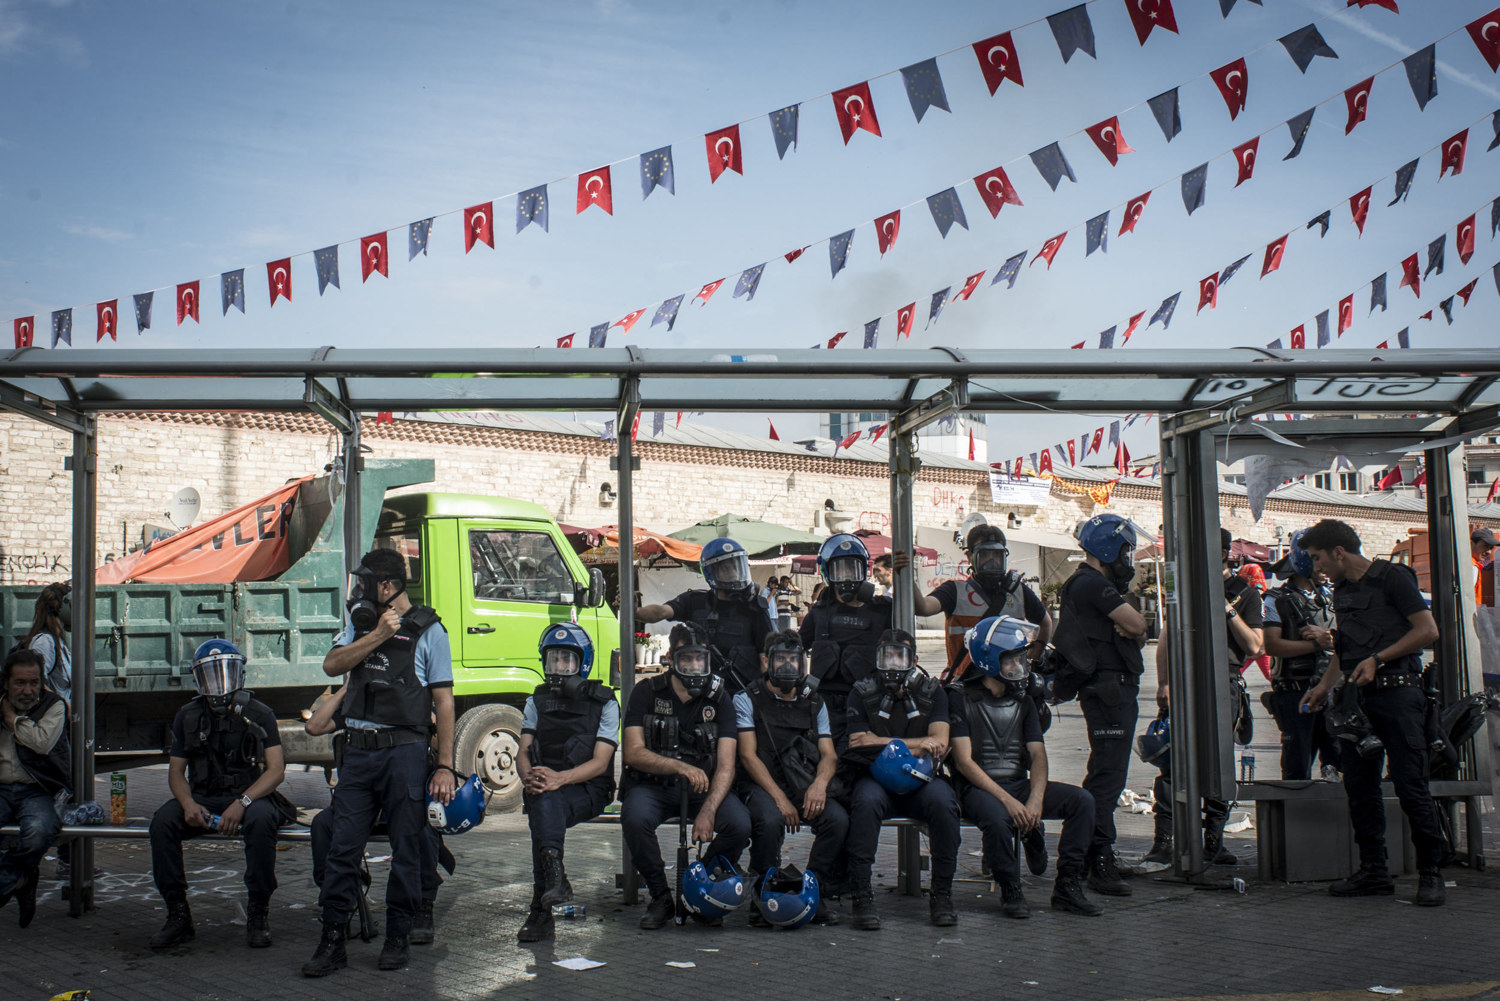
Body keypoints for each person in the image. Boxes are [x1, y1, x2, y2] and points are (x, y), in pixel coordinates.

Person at [304, 549, 456, 977]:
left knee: (407, 848)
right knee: (342, 847)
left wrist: (444, 766)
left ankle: (397, 936)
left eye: (366, 583)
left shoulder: (429, 630)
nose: (358, 592)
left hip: (404, 752)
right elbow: (333, 664)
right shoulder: (360, 624)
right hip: (357, 751)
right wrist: (374, 636)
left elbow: (444, 702)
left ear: (387, 587)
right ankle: (332, 940)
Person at [1298, 519, 1446, 906]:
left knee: (1410, 784)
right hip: (1356, 702)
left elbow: (1428, 630)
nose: (1317, 567)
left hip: (1399, 695)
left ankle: (1431, 873)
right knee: (1360, 788)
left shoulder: (1393, 578)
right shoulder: (1342, 589)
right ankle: (1374, 872)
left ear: (1339, 552)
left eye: (1318, 558)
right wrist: (1323, 687)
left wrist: (1379, 659)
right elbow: (1346, 650)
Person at [948, 617, 1100, 918]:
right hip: (978, 788)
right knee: (996, 819)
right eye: (1012, 659)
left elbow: (1038, 756)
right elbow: (964, 761)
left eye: (1021, 658)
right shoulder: (959, 698)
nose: (1020, 666)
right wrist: (1010, 802)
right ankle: (1010, 887)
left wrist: (1034, 799)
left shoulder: (1024, 700)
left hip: (1018, 785)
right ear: (990, 661)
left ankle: (1068, 884)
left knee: (1082, 801)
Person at [148, 639, 292, 950]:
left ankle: (258, 911)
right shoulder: (187, 716)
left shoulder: (259, 713)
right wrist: (187, 804)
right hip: (204, 797)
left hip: (250, 798)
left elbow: (276, 770)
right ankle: (178, 914)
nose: (218, 684)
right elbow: (176, 772)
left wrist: (242, 803)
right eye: (210, 675)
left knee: (262, 820)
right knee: (162, 823)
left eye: (224, 673)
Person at [620, 622, 751, 930]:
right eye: (686, 658)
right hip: (653, 786)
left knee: (740, 825)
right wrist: (680, 767)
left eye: (699, 659)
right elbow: (633, 752)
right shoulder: (645, 692)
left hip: (703, 789)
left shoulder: (720, 699)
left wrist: (708, 810)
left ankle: (697, 887)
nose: (693, 666)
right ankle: (660, 897)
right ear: (670, 659)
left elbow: (727, 765)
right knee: (635, 819)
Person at [305, 684, 453, 947]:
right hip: (359, 800)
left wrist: (429, 721)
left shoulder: (410, 700)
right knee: (321, 825)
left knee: (422, 828)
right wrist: (347, 688)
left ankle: (422, 903)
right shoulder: (356, 703)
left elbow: (442, 745)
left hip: (401, 795)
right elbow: (315, 726)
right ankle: (341, 901)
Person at [1051, 514, 1147, 896]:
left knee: (1106, 775)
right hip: (1109, 690)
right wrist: (1130, 626)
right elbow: (1138, 626)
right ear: (1109, 548)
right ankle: (1096, 858)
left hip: (1108, 688)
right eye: (1125, 550)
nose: (1127, 558)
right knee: (1107, 778)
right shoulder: (1093, 584)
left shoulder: (1084, 583)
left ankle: (1093, 854)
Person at [842, 628, 959, 930]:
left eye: (900, 655)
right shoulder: (862, 690)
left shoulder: (933, 691)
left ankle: (942, 894)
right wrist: (917, 743)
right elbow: (857, 742)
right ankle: (862, 896)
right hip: (876, 779)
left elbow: (941, 741)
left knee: (945, 804)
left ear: (914, 659)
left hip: (921, 781)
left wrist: (880, 740)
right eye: (887, 655)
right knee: (864, 804)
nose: (893, 662)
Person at [1153, 528, 1254, 868]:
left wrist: (1226, 609)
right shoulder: (1180, 583)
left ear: (1227, 552)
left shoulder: (1244, 592)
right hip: (1186, 682)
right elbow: (1167, 633)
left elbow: (1255, 645)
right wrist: (1164, 682)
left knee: (1219, 762)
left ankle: (1214, 839)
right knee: (1173, 762)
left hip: (1224, 682)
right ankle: (1164, 839)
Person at [516, 623, 618, 943]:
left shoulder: (605, 702)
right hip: (550, 787)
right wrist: (528, 777)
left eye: (566, 660)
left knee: (543, 803)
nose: (558, 667)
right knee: (542, 799)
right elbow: (522, 751)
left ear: (582, 663)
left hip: (588, 788)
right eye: (553, 660)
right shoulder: (537, 700)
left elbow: (601, 762)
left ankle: (540, 909)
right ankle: (555, 880)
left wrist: (559, 779)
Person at [735, 631, 844, 926]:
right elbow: (748, 755)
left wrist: (819, 786)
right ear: (764, 661)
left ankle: (812, 891)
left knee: (836, 819)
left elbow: (829, 755)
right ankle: (761, 896)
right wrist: (780, 799)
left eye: (793, 660)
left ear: (803, 663)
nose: (787, 666)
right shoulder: (746, 699)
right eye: (780, 659)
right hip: (760, 783)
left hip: (801, 782)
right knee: (769, 822)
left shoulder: (814, 701)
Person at [906, 524, 1052, 682]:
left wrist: (1030, 661)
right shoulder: (954, 591)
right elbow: (923, 608)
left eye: (997, 555)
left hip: (1008, 682)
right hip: (964, 683)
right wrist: (906, 572)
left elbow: (1045, 624)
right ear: (969, 556)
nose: (992, 560)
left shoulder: (1019, 592)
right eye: (985, 555)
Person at [636, 537, 772, 694]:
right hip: (699, 692)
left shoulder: (755, 607)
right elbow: (661, 611)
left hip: (742, 694)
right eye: (726, 568)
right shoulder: (695, 601)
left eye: (737, 567)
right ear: (711, 572)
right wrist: (636, 611)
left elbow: (766, 659)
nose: (734, 573)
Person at [800, 533, 893, 748]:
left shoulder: (883, 611)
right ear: (828, 573)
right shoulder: (819, 613)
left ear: (864, 571)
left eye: (853, 568)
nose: (848, 576)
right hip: (824, 706)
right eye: (840, 570)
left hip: (868, 705)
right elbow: (794, 650)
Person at [0, 648, 70, 928]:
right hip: (2, 789)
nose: (28, 690)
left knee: (40, 831)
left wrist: (11, 719)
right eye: (20, 683)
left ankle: (14, 878)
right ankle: (21, 878)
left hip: (37, 789)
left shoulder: (54, 705)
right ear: (6, 683)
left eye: (34, 682)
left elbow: (41, 742)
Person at [1261, 530, 1337, 781]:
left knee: (1337, 764)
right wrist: (1317, 646)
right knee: (1297, 767)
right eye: (1316, 559)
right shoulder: (1277, 599)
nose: (1322, 567)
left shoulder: (1332, 596)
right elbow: (1272, 645)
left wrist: (1330, 639)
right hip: (1296, 692)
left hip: (1333, 691)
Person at [22, 582, 72, 705]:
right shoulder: (44, 643)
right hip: (52, 720)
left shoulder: (58, 641)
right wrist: (62, 706)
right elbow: (36, 686)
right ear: (64, 608)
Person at [1236, 564, 1274, 683]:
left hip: (1252, 641)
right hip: (1262, 643)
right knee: (1273, 677)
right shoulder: (1264, 594)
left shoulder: (1249, 595)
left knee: (1234, 675)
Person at [1473, 527, 1496, 608]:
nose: (1488, 552)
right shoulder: (1472, 567)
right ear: (1472, 543)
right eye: (1485, 546)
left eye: (1490, 548)